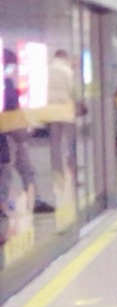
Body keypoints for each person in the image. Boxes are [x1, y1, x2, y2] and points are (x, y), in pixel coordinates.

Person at [2, 49, 55, 215]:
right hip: (7, 136)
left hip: (14, 134)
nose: (12, 69)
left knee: (26, 169)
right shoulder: (5, 85)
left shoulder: (8, 83)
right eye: (9, 65)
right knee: (6, 172)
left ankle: (34, 200)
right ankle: (3, 204)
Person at [44, 48, 76, 181]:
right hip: (66, 109)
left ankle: (58, 172)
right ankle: (72, 169)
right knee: (70, 141)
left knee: (55, 143)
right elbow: (72, 90)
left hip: (53, 109)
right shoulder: (68, 71)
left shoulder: (47, 70)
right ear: (64, 57)